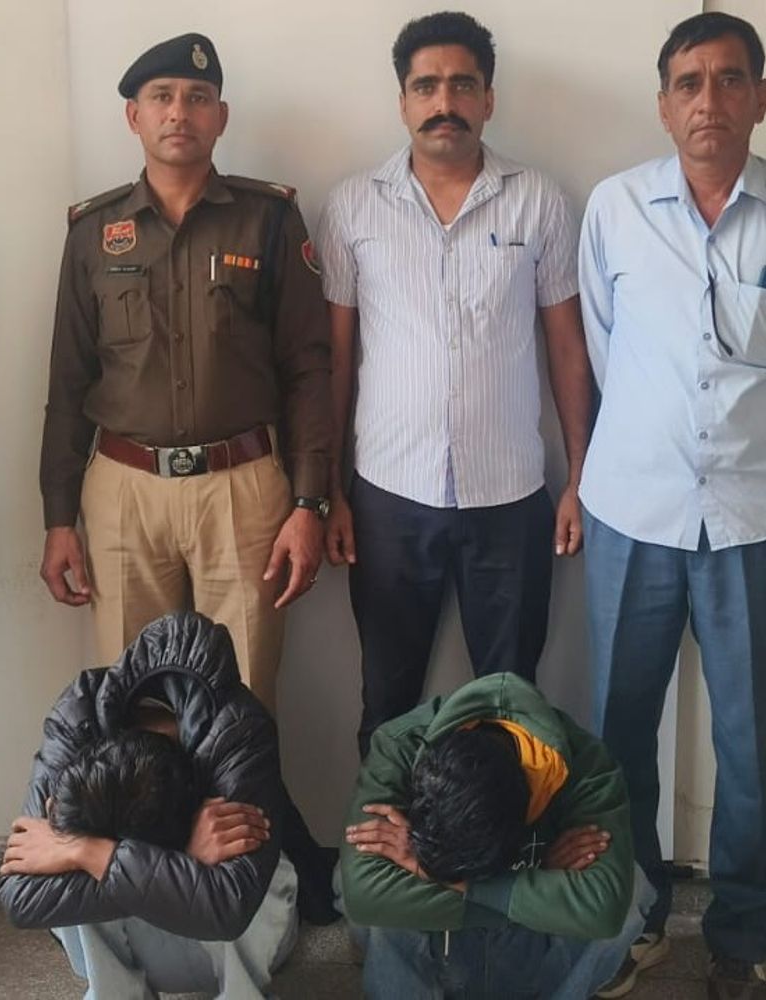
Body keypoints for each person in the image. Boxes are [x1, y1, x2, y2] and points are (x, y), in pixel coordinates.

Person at [316, 11, 592, 756]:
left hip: (510, 497)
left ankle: (506, 831)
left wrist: (578, 478)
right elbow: (336, 360)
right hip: (387, 497)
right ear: (403, 101)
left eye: (463, 85)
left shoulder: (537, 200)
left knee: (514, 704)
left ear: (488, 99)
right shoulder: (353, 206)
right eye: (427, 86)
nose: (446, 102)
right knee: (388, 701)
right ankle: (380, 833)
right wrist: (331, 489)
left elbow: (567, 348)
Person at [37, 31, 331, 714]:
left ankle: (241, 794)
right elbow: (67, 382)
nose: (179, 112)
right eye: (161, 97)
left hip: (243, 490)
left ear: (220, 117)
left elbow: (309, 368)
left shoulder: (269, 219)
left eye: (198, 98)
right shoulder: (92, 233)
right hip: (123, 494)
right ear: (133, 115)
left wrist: (309, 502)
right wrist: (58, 518)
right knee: (129, 707)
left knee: (243, 703)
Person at [578, 11, 766, 998]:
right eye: (688, 82)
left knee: (753, 743)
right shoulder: (614, 208)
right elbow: (603, 347)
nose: (708, 100)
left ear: (759, 97)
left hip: (752, 519)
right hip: (632, 511)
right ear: (662, 104)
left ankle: (742, 932)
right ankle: (634, 916)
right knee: (617, 732)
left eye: (730, 79)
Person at [0, 612, 298, 1000]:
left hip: (232, 934)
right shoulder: (78, 714)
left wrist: (93, 853)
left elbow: (230, 905)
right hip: (165, 909)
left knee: (244, 852)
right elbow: (21, 897)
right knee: (68, 861)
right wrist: (93, 852)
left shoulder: (238, 727)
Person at [341, 672, 652, 999]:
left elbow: (605, 908)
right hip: (474, 934)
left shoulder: (585, 763)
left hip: (530, 954)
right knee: (357, 873)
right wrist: (542, 885)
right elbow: (363, 896)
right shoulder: (399, 745)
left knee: (632, 889)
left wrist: (444, 879)